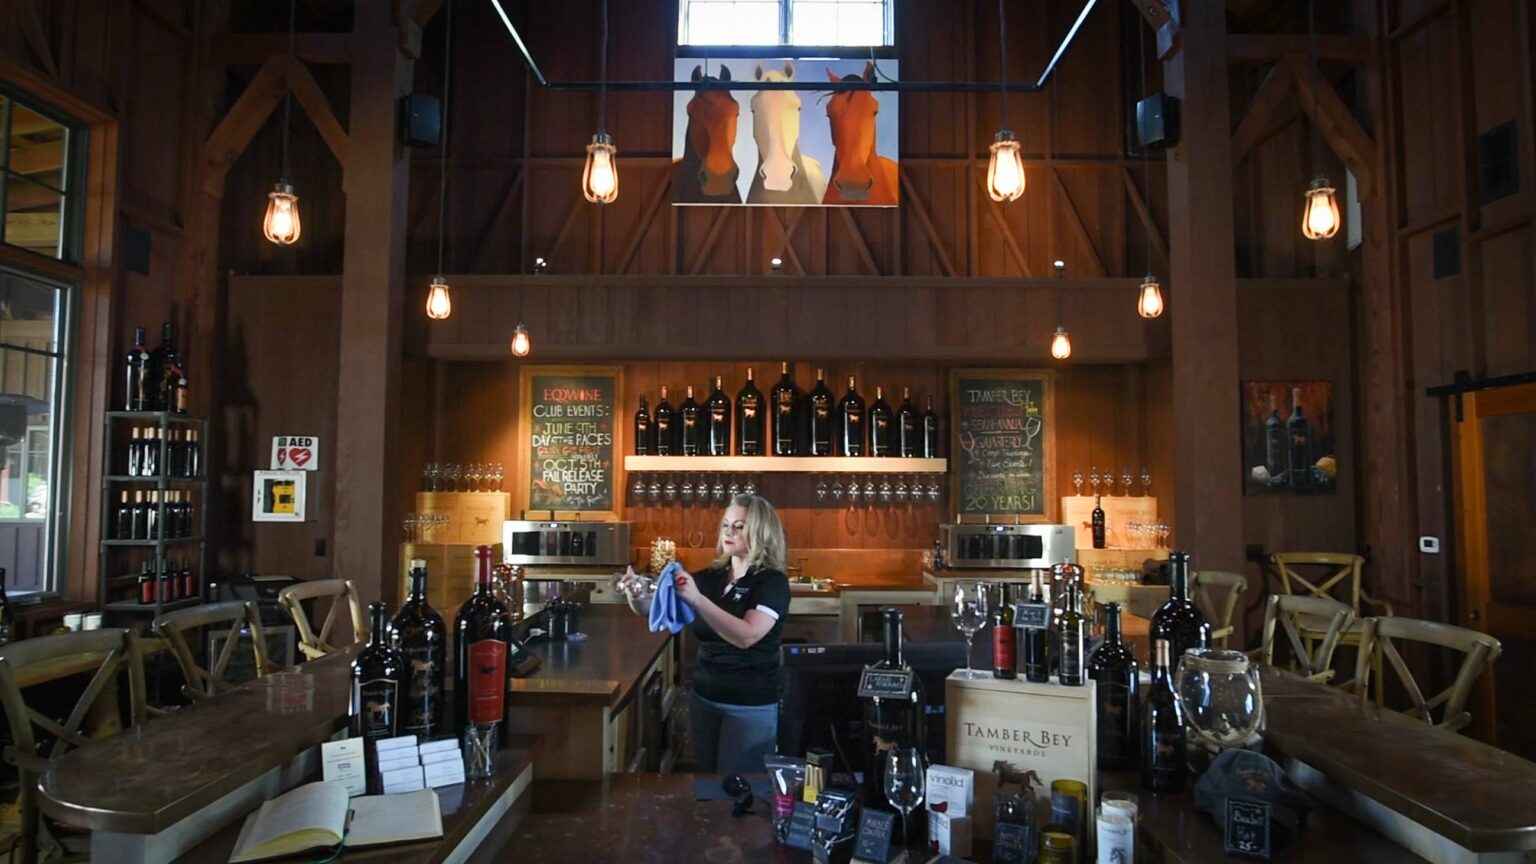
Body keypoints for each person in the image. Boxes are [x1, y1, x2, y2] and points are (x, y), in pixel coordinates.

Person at [619, 493, 791, 774]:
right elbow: (654, 607)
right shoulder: (711, 577)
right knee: (709, 786)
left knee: (739, 795)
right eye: (726, 525)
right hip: (705, 698)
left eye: (739, 526)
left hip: (749, 705)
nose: (729, 532)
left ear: (760, 532)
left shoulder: (771, 582)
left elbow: (747, 636)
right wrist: (635, 591)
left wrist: (698, 600)